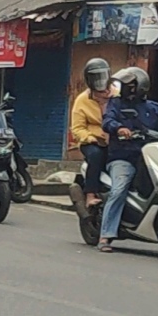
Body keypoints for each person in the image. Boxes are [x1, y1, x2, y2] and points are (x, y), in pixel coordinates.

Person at [98, 66, 158, 253]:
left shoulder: (154, 108)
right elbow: (107, 121)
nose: (125, 89)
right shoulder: (116, 104)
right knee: (119, 189)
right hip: (124, 157)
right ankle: (105, 235)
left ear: (140, 86)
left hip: (151, 158)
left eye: (129, 85)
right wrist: (118, 128)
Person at [70, 57, 111, 208]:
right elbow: (77, 129)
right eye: (95, 77)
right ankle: (90, 194)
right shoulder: (82, 100)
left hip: (114, 140)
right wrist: (91, 138)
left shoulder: (116, 96)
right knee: (96, 155)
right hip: (92, 142)